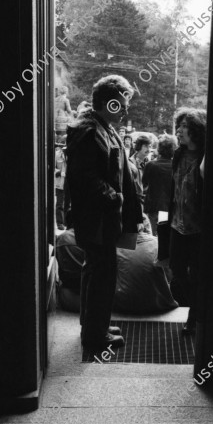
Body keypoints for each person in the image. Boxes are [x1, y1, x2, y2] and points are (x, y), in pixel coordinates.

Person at [66, 75, 142, 351]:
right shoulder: (91, 131)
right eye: (121, 104)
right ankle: (96, 337)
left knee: (95, 270)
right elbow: (85, 178)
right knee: (103, 275)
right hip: (97, 220)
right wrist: (116, 198)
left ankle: (93, 324)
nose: (125, 111)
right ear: (109, 102)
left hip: (99, 220)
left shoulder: (99, 126)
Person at [56, 215, 178, 314]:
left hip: (123, 305)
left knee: (65, 293)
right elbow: (169, 275)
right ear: (144, 227)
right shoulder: (157, 243)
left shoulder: (113, 245)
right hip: (160, 305)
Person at [169, 108, 206, 333]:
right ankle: (198, 308)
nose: (180, 131)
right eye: (179, 126)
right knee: (177, 269)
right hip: (176, 224)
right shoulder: (178, 154)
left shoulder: (204, 156)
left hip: (198, 228)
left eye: (185, 127)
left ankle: (194, 317)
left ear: (197, 130)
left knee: (198, 273)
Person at [143, 134, 177, 235]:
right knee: (164, 236)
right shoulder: (176, 167)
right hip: (169, 208)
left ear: (159, 148)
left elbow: (144, 183)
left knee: (154, 235)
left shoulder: (151, 165)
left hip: (153, 207)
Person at [129, 135, 152, 204]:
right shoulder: (130, 163)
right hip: (135, 202)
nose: (148, 149)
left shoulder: (151, 163)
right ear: (138, 146)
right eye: (145, 146)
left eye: (149, 146)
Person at [55, 142, 67, 231]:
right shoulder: (57, 155)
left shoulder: (74, 153)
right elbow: (52, 167)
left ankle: (68, 222)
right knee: (60, 203)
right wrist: (59, 172)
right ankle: (60, 223)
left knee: (69, 203)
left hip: (70, 181)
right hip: (60, 182)